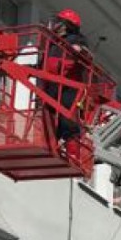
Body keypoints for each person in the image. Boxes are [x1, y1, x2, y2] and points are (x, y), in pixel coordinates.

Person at [43, 8, 92, 144]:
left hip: (68, 85)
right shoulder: (53, 44)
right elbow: (43, 64)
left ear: (66, 25)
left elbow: (86, 53)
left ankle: (72, 144)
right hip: (52, 86)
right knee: (49, 119)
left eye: (58, 21)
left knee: (67, 119)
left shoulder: (75, 39)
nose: (54, 24)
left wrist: (80, 50)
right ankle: (54, 142)